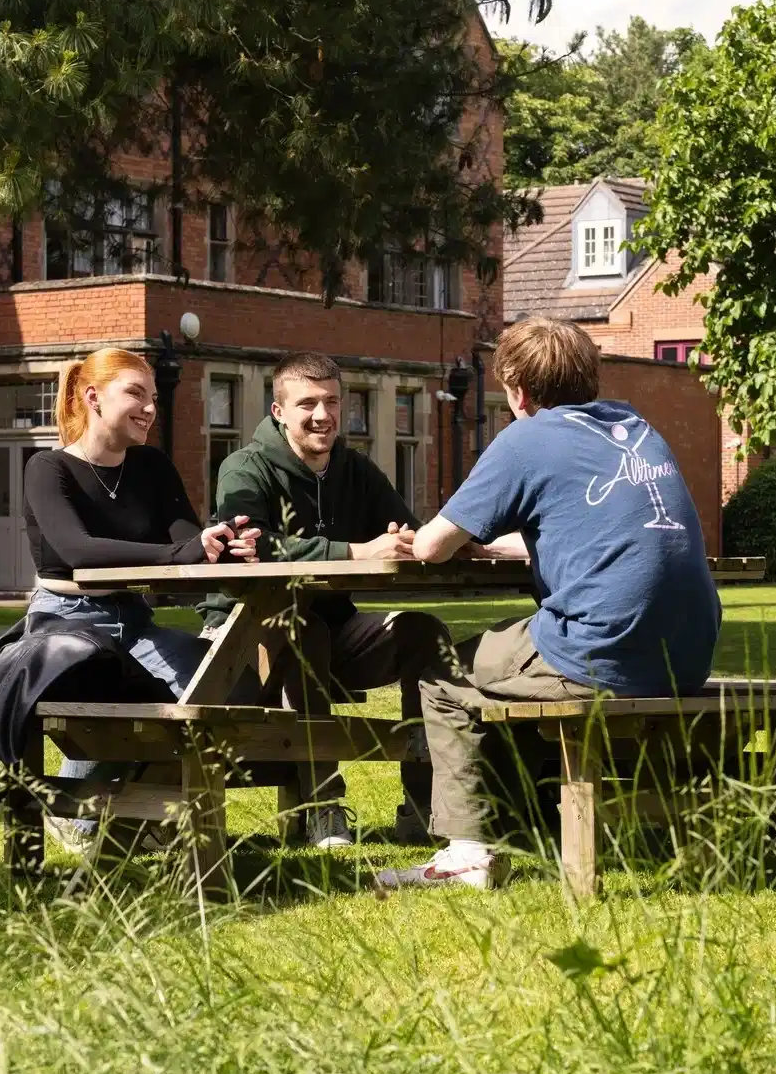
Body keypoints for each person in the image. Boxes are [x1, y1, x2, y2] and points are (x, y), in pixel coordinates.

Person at [375, 317, 723, 891]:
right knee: (510, 665)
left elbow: (433, 546)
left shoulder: (528, 437)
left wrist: (440, 538)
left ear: (517, 390)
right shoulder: (634, 428)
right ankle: (522, 822)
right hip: (688, 656)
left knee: (442, 673)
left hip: (603, 649)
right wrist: (492, 544)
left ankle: (468, 855)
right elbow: (588, 528)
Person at [208, 351, 456, 849]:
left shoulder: (355, 468)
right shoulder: (244, 467)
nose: (323, 415)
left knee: (423, 632)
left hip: (338, 631)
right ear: (279, 411)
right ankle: (322, 807)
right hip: (247, 637)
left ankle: (424, 807)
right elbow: (250, 546)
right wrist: (356, 551)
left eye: (332, 402)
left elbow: (407, 529)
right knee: (306, 630)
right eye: (307, 404)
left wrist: (409, 540)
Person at [22, 347, 259, 850]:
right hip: (65, 624)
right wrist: (183, 551)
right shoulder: (48, 468)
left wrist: (224, 546)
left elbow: (186, 542)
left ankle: (146, 810)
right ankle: (80, 814)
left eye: (153, 397)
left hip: (133, 618)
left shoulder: (152, 466)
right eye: (135, 394)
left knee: (223, 682)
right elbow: (78, 551)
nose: (150, 408)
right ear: (93, 397)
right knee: (124, 693)